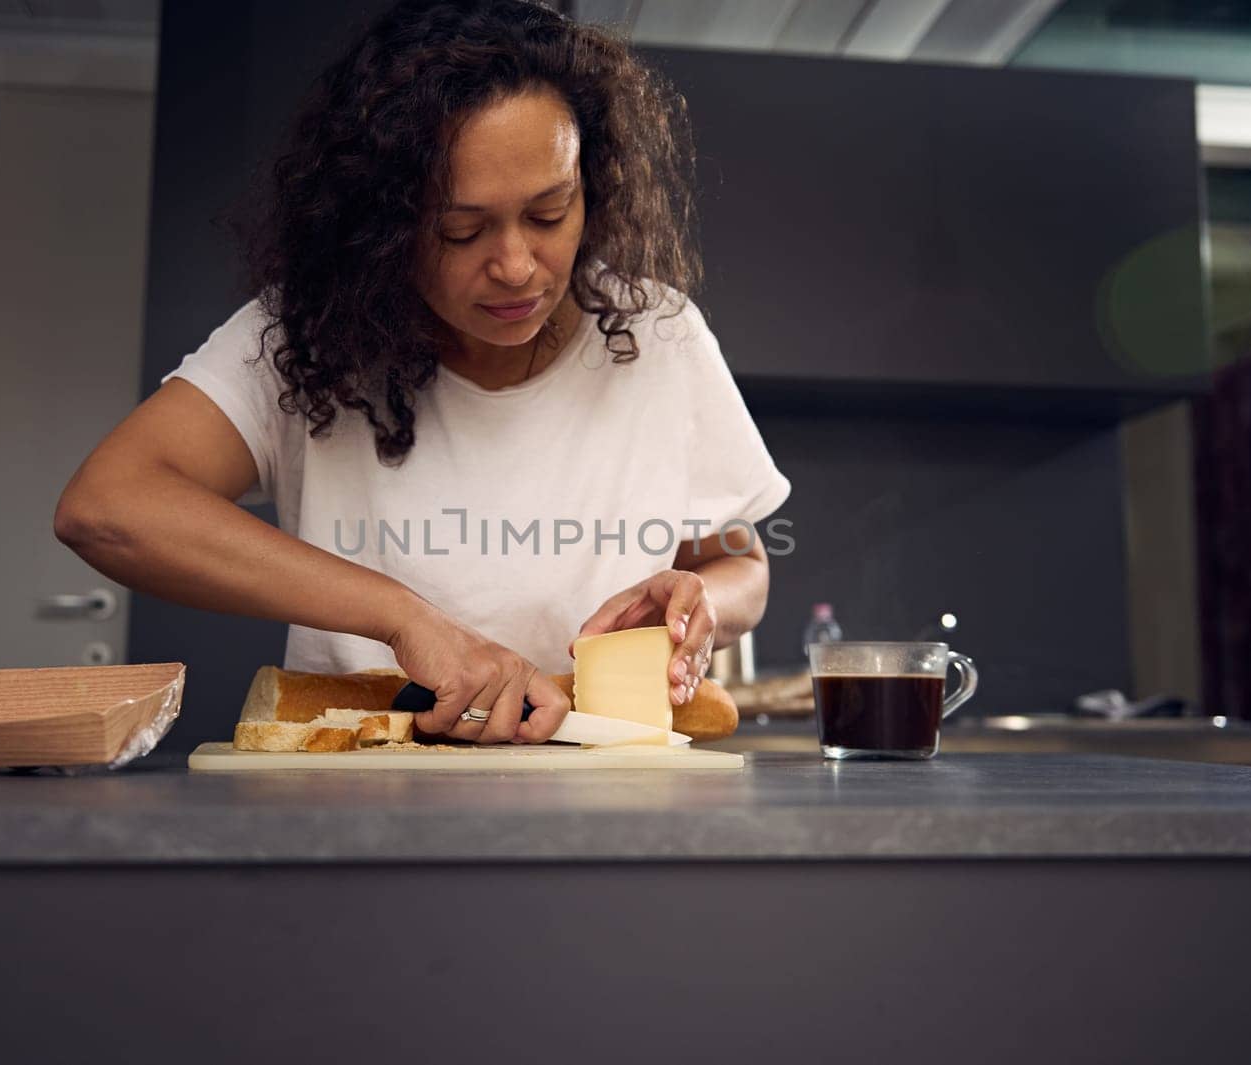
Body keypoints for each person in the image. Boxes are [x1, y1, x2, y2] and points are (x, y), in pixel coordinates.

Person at [54, 0, 791, 745]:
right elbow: (106, 507)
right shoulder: (305, 334)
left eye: (548, 213)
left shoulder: (659, 335)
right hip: (362, 791)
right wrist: (404, 617)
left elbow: (741, 565)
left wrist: (701, 605)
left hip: (605, 798)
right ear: (382, 226)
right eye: (459, 230)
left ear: (590, 189)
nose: (515, 266)